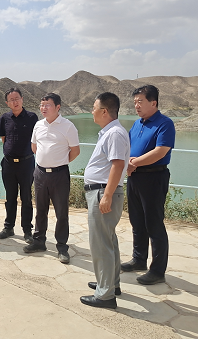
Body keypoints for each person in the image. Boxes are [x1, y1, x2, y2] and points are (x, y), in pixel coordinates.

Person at [81, 93, 130, 309]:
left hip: (103, 192)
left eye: (94, 108)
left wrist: (107, 196)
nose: (91, 111)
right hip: (102, 191)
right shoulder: (111, 132)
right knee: (108, 240)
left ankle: (105, 295)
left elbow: (117, 165)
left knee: (101, 244)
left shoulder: (114, 134)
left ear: (104, 111)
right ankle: (110, 283)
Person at [122, 85, 175, 285]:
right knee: (136, 221)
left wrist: (134, 162)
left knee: (154, 223)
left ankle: (158, 270)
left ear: (154, 102)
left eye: (140, 101)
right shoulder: (137, 124)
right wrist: (128, 162)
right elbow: (128, 146)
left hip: (154, 178)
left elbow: (160, 151)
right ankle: (139, 259)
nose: (136, 105)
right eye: (135, 102)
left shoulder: (165, 123)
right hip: (135, 177)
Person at [24, 93, 80, 264]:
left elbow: (75, 151)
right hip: (40, 173)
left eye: (47, 105)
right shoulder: (38, 125)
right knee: (40, 210)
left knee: (61, 212)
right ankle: (39, 241)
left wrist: (59, 163)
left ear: (58, 107)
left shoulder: (68, 126)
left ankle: (62, 247)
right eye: (42, 105)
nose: (43, 108)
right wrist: (46, 162)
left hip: (59, 175)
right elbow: (34, 147)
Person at [0, 87, 38, 243]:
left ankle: (27, 230)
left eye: (17, 98)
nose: (15, 102)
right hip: (8, 163)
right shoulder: (4, 118)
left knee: (26, 197)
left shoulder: (32, 117)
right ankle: (9, 227)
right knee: (10, 196)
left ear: (22, 99)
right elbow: (4, 139)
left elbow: (36, 139)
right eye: (11, 100)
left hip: (26, 163)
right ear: (7, 103)